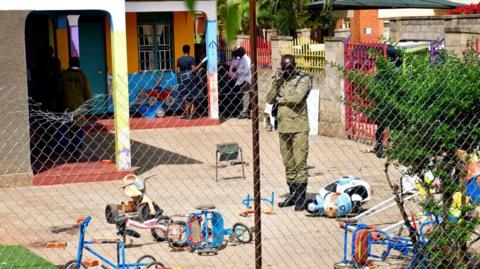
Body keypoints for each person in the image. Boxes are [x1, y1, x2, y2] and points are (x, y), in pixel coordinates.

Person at [266, 55, 313, 211]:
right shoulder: (281, 81)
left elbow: (297, 98)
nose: (288, 69)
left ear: (295, 65)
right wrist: (277, 82)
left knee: (300, 162)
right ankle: (293, 194)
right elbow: (270, 99)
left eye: (290, 66)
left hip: (299, 127)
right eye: (285, 66)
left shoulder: (303, 79)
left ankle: (301, 197)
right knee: (288, 163)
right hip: (284, 127)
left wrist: (281, 99)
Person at [57, 57, 92, 157]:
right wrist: (89, 106)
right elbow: (88, 92)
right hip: (79, 108)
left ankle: (62, 150)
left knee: (64, 128)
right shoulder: (82, 76)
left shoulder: (63, 76)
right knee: (77, 129)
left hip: (65, 107)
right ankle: (76, 150)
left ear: (69, 63)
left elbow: (58, 92)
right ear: (79, 64)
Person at [177, 44, 199, 119]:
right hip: (190, 78)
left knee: (185, 97)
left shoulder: (179, 59)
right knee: (193, 96)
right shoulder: (191, 59)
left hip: (182, 78)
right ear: (189, 50)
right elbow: (194, 69)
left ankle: (186, 114)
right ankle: (191, 114)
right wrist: (200, 65)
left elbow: (178, 71)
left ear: (183, 51)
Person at [235, 47, 252, 119]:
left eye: (239, 53)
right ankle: (244, 111)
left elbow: (247, 70)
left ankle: (245, 112)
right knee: (243, 97)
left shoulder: (246, 59)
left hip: (246, 80)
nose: (238, 54)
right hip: (240, 80)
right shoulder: (241, 59)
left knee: (246, 96)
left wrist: (239, 71)